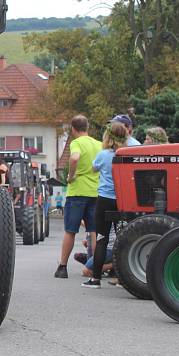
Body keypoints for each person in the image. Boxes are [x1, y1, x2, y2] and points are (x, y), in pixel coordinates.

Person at [55, 115, 101, 278]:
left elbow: (74, 158)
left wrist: (71, 176)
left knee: (70, 230)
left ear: (73, 129)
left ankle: (62, 267)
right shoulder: (99, 144)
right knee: (94, 230)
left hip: (77, 192)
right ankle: (96, 266)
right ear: (87, 127)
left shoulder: (76, 143)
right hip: (95, 192)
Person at [83, 121, 128, 288]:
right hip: (122, 200)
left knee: (102, 238)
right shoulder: (126, 154)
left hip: (104, 200)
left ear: (107, 136)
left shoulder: (103, 155)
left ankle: (95, 279)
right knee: (122, 239)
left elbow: (94, 169)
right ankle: (121, 277)